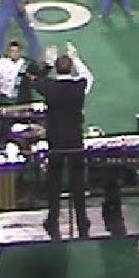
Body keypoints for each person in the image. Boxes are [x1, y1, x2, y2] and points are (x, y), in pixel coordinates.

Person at [33, 44, 95, 240]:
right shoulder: (78, 87)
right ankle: (82, 218)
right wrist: (76, 58)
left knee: (54, 180)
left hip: (56, 140)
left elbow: (37, 80)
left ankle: (53, 218)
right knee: (77, 180)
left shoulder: (50, 87)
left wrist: (48, 63)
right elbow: (89, 77)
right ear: (70, 68)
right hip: (75, 138)